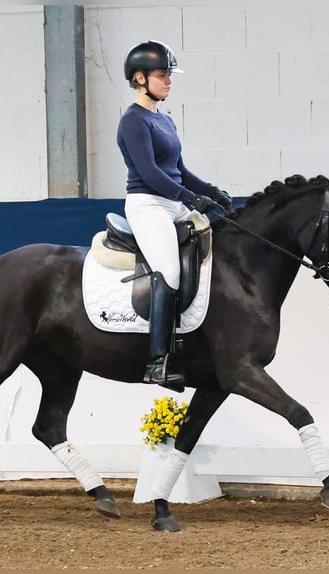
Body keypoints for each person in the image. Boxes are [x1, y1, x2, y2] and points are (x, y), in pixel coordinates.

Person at [117, 40, 232, 393]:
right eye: (162, 75)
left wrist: (210, 191)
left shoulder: (163, 120)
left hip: (173, 201)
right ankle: (157, 361)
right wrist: (189, 198)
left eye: (169, 75)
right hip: (148, 205)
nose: (169, 81)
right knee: (168, 270)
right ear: (140, 78)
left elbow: (178, 169)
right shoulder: (132, 122)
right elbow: (151, 173)